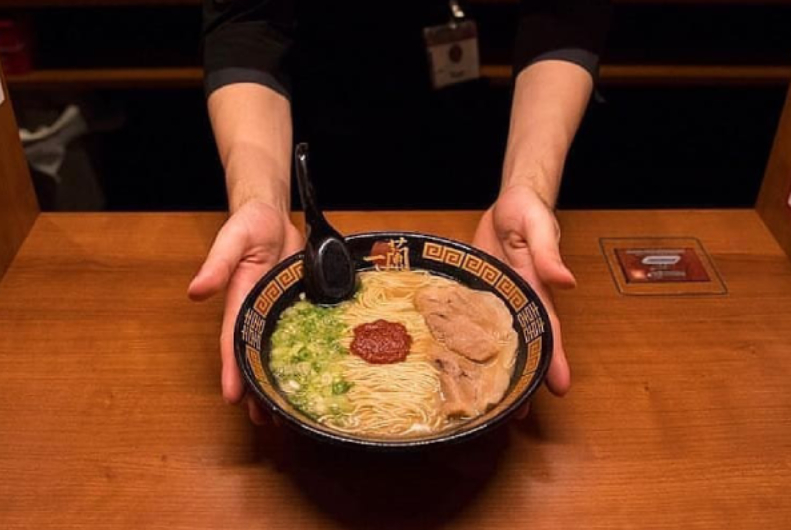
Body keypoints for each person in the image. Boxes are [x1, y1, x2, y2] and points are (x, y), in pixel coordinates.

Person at [188, 0, 611, 424]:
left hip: (481, 126)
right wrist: (259, 198)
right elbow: (246, 19)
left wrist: (528, 186)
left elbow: (564, 14)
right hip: (309, 122)